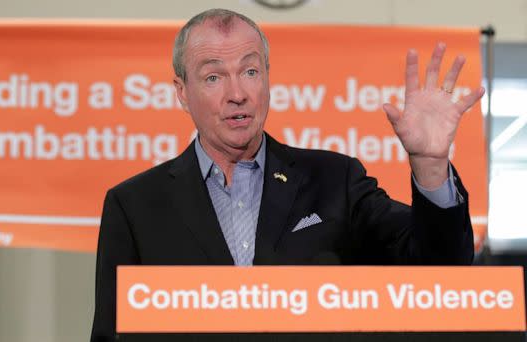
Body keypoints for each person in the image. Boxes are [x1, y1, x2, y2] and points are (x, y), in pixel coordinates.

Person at [90, 8, 483, 341]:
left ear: (267, 77)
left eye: (249, 71)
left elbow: (440, 272)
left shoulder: (335, 180)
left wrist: (430, 164)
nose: (237, 93)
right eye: (213, 77)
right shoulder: (135, 206)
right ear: (181, 92)